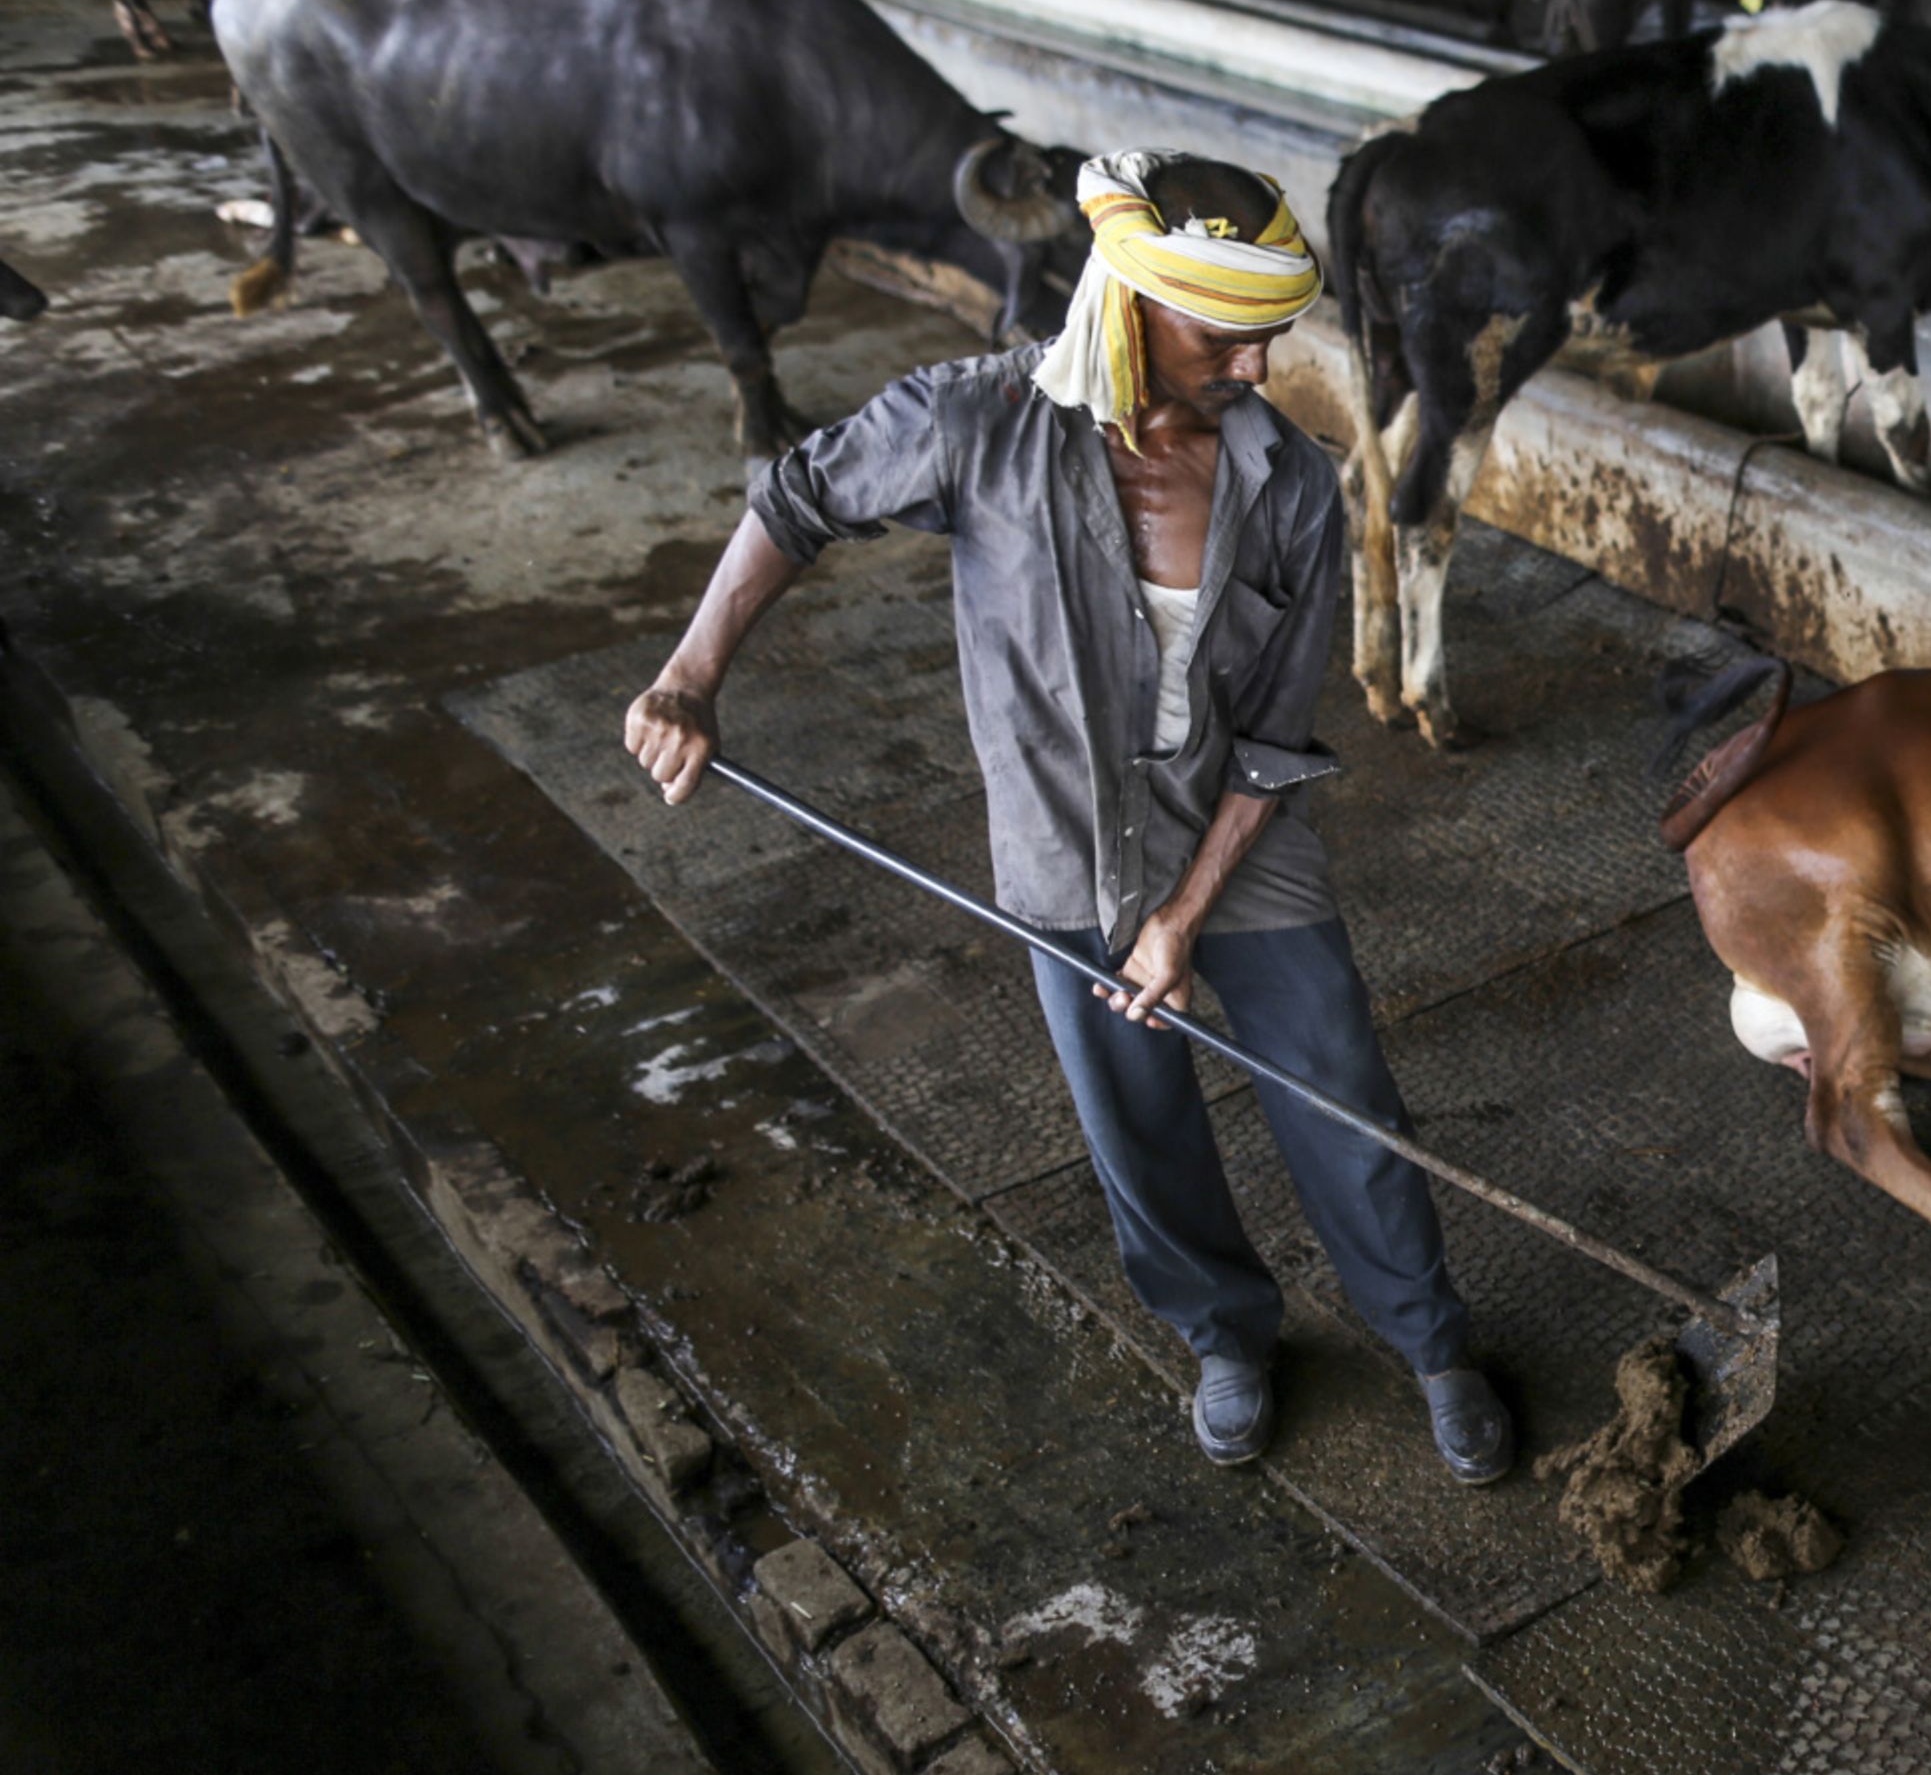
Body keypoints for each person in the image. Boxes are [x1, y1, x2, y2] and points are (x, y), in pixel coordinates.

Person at [621, 150, 1514, 1486]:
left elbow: (1276, 737)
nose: (1260, 369)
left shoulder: (1286, 483)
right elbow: (795, 501)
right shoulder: (974, 423)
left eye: (1270, 338)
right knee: (1134, 1118)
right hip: (1065, 846)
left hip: (1236, 828)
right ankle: (1225, 1335)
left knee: (1341, 1092)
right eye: (1226, 338)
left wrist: (1184, 914)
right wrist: (691, 677)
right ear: (1134, 305)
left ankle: (1430, 1341)